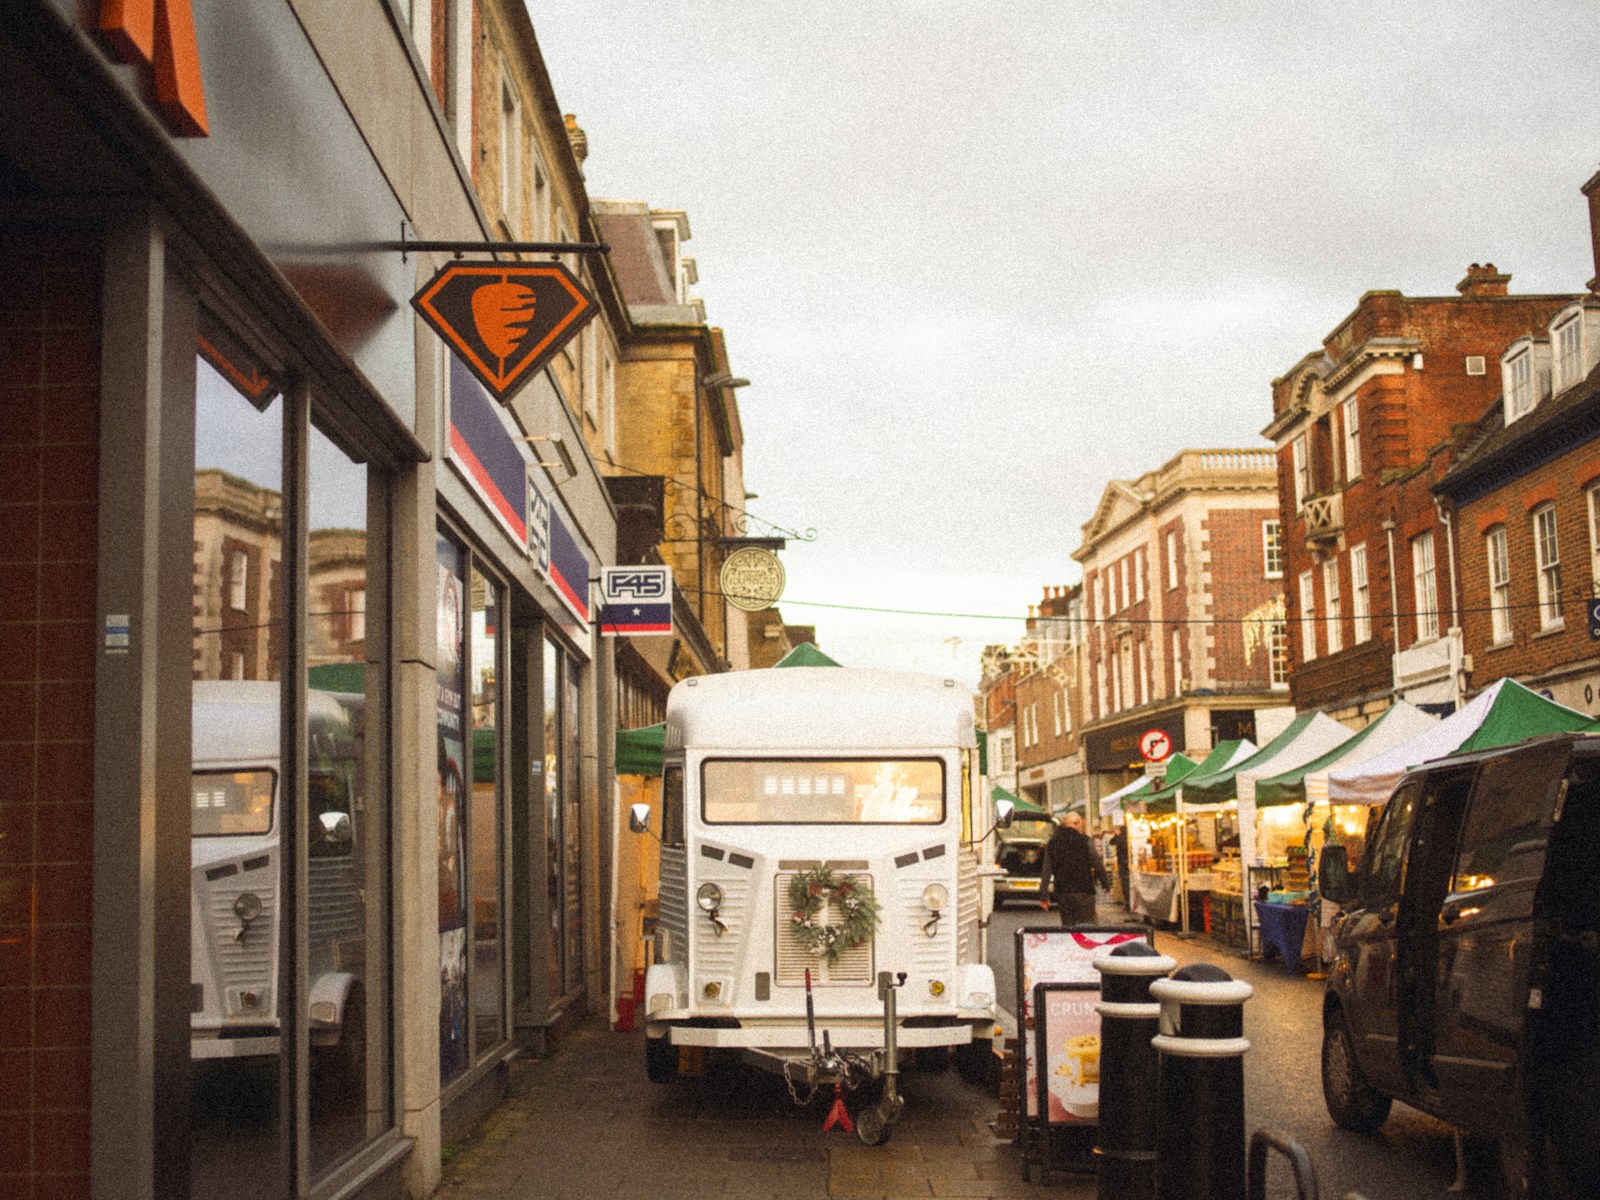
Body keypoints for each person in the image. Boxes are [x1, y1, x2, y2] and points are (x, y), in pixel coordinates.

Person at [1039, 810, 1112, 927]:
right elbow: (1097, 863)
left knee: (1068, 927)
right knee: (1088, 927)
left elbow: (1046, 870)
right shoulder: (1086, 840)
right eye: (1081, 824)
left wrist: (1044, 895)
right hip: (1084, 892)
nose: (1082, 827)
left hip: (1063, 893)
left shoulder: (1053, 842)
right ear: (1077, 823)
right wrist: (1105, 883)